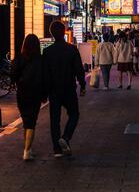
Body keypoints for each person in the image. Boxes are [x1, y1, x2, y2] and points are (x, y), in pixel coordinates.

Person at [43, 21, 86, 157]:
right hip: (68, 88)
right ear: (64, 32)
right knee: (74, 114)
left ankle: (57, 150)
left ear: (51, 34)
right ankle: (66, 137)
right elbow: (79, 69)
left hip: (53, 90)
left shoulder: (47, 51)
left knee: (54, 120)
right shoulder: (72, 49)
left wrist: (44, 93)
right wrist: (83, 86)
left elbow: (44, 74)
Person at [11, 34, 45, 161]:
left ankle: (28, 148)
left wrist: (18, 81)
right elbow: (44, 78)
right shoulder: (40, 59)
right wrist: (44, 95)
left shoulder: (19, 58)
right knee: (31, 122)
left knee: (26, 121)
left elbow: (13, 74)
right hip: (35, 93)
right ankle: (26, 151)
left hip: (22, 93)